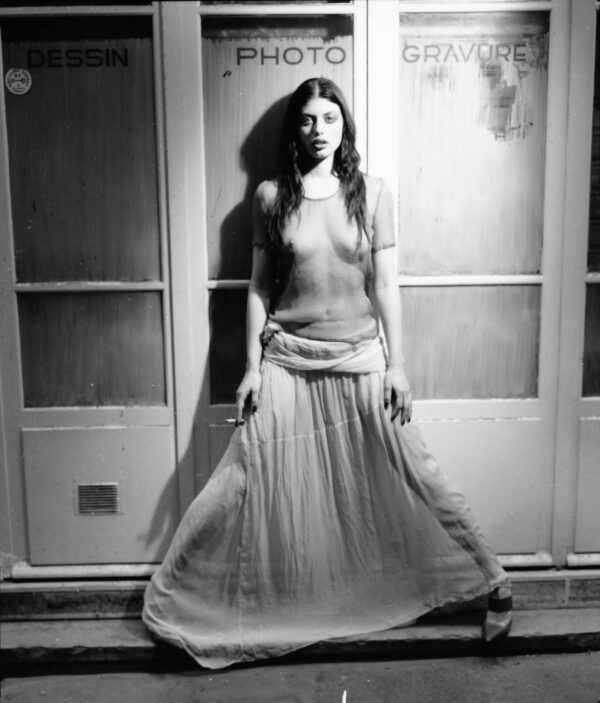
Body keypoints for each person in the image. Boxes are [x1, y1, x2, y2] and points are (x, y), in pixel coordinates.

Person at [143, 77, 513, 670]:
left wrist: (398, 365)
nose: (319, 130)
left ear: (346, 126)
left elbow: (385, 285)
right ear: (296, 128)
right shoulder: (271, 196)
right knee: (243, 476)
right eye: (309, 119)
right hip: (288, 357)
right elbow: (259, 289)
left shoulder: (373, 192)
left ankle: (496, 581)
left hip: (360, 355)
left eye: (330, 119)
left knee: (416, 469)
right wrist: (252, 369)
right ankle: (177, 594)